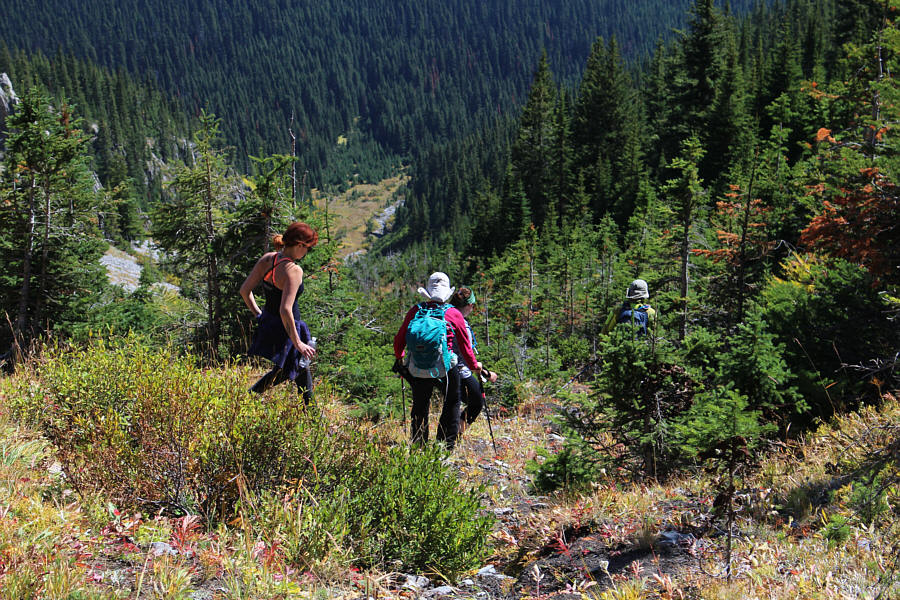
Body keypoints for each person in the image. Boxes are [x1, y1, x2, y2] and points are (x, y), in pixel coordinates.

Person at [393, 272, 482, 450]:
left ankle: (418, 447)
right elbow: (465, 348)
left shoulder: (416, 310)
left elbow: (399, 341)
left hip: (418, 367)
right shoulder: (453, 313)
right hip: (446, 367)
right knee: (452, 403)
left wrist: (401, 358)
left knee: (420, 405)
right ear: (447, 293)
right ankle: (444, 447)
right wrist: (474, 366)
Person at [240, 222, 318, 403]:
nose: (306, 252)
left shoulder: (268, 259)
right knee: (295, 368)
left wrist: (259, 315)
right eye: (307, 248)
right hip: (289, 329)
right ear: (299, 245)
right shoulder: (293, 270)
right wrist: (298, 343)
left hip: (271, 322)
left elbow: (244, 291)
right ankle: (249, 397)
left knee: (294, 368)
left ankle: (312, 413)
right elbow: (285, 309)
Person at [448, 287, 497, 436]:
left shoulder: (446, 316)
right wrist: (486, 373)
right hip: (459, 369)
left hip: (442, 368)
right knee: (476, 402)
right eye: (473, 305)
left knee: (452, 402)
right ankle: (454, 436)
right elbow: (465, 353)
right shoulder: (461, 323)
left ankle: (450, 435)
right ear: (469, 305)